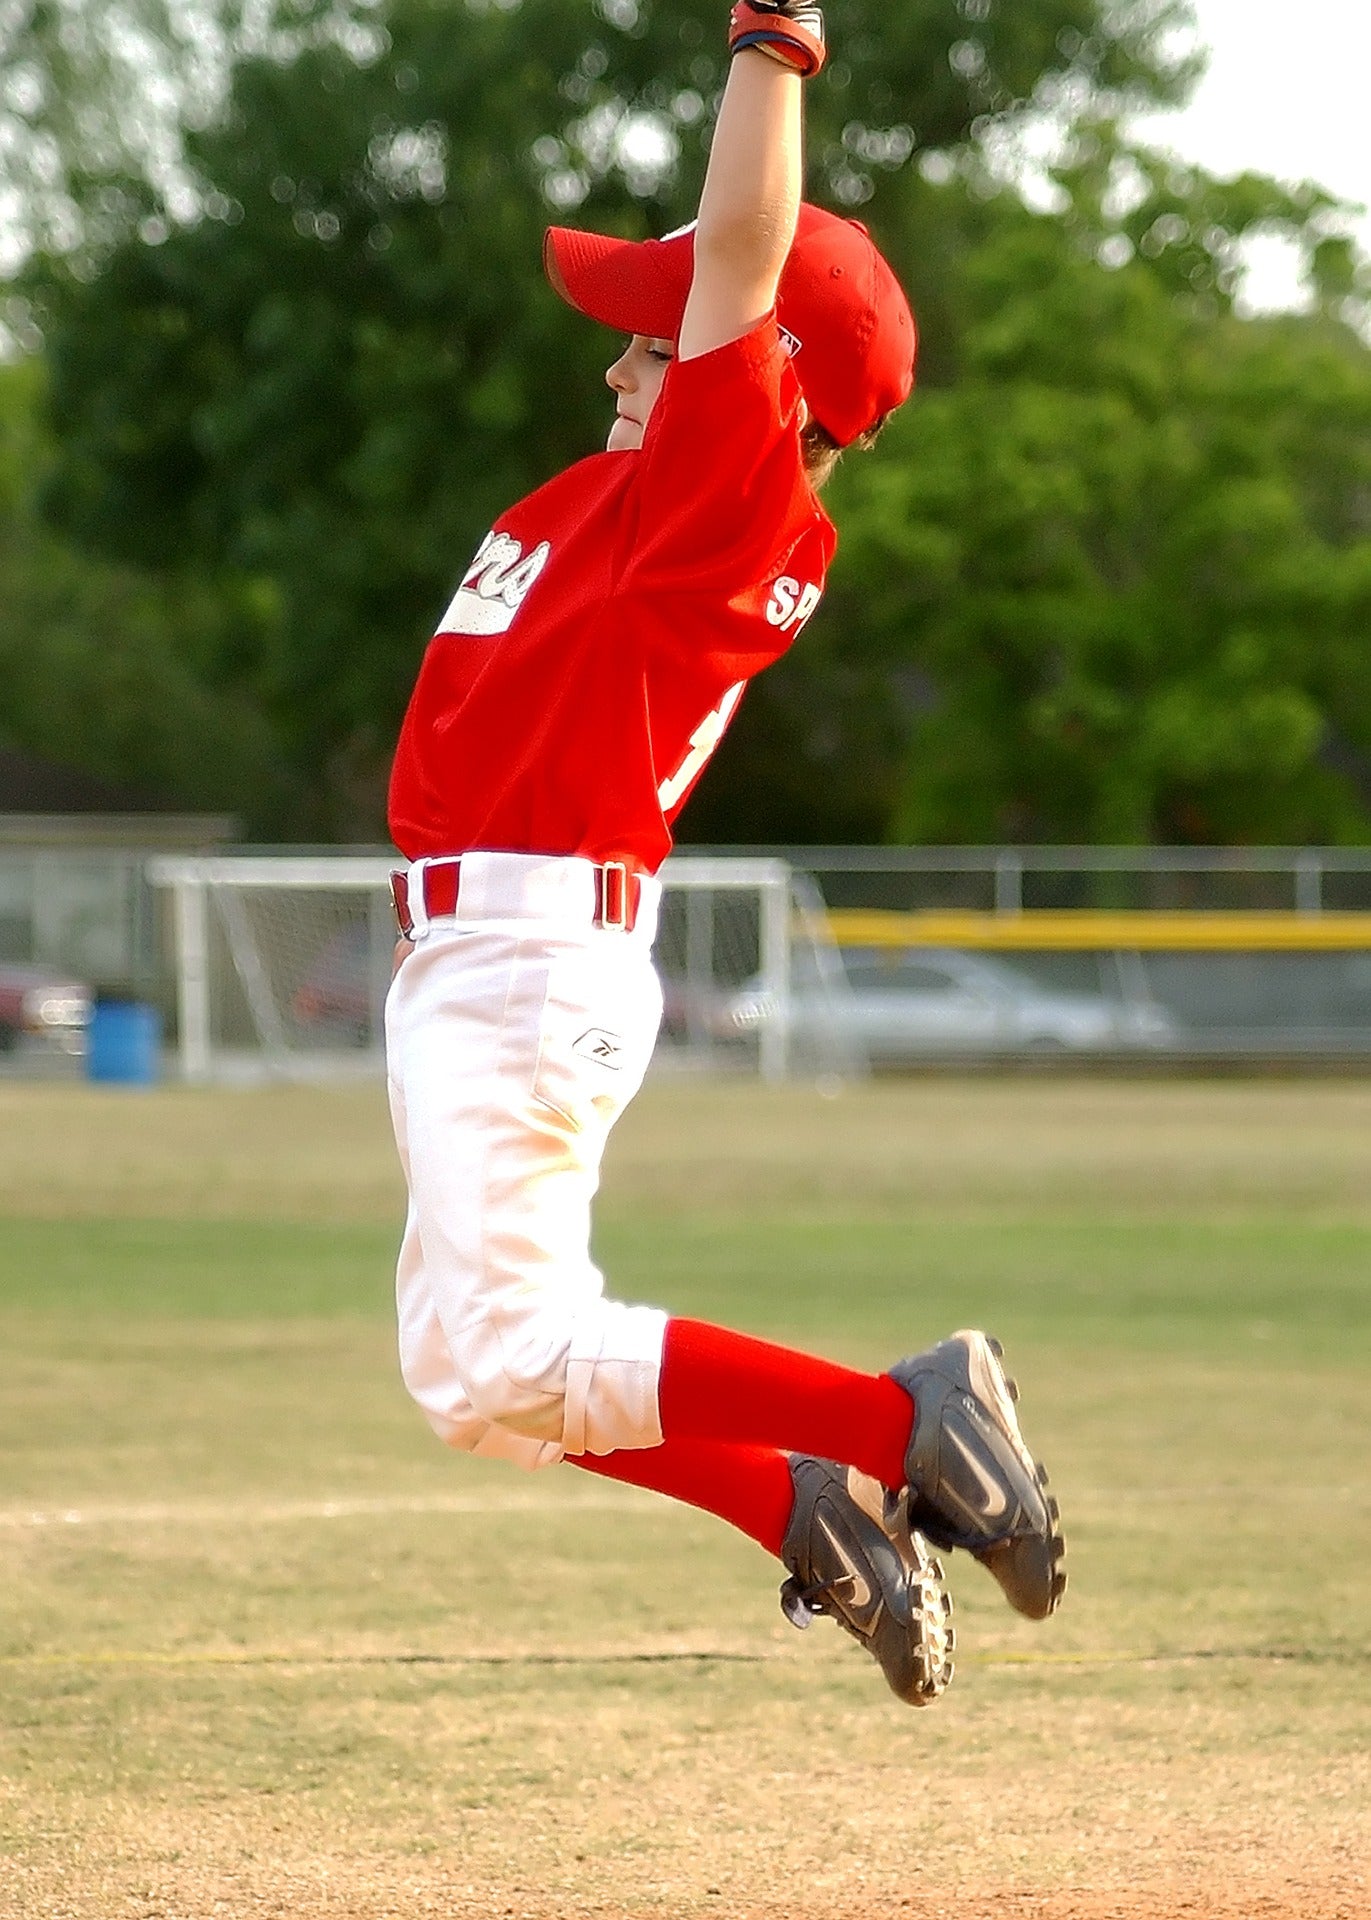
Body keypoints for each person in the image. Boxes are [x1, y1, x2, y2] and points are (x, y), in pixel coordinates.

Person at [383, 0, 1065, 1708]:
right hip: (487, 957)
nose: (626, 358)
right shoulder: (616, 500)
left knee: (518, 1355)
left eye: (660, 331)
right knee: (473, 1383)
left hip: (530, 953)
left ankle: (896, 1419)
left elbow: (750, 265)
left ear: (759, 385)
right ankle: (805, 1497)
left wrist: (773, 44)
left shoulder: (721, 505)